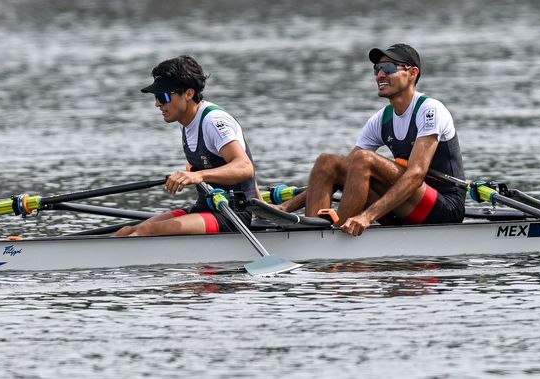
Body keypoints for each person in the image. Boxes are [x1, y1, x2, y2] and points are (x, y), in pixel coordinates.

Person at [280, 43, 465, 236]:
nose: (380, 75)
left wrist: (367, 216)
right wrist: (286, 208)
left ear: (412, 74)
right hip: (403, 205)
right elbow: (342, 169)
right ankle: (313, 234)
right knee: (328, 163)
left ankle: (337, 234)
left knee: (364, 159)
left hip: (444, 208)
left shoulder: (430, 109)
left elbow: (417, 174)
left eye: (389, 68)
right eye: (377, 69)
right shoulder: (380, 120)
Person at [116, 55, 257, 237]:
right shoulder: (187, 121)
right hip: (207, 207)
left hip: (235, 214)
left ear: (188, 94)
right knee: (127, 231)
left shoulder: (213, 121)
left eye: (163, 96)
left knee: (147, 231)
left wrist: (197, 175)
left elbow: (245, 167)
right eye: (157, 97)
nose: (157, 103)